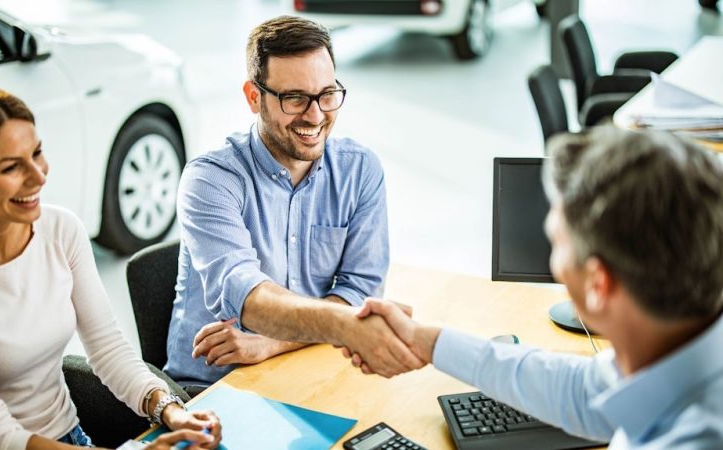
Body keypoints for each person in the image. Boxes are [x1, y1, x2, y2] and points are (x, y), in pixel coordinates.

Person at [346, 127, 723, 449]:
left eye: (555, 243)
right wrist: (425, 341)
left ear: (599, 284)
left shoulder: (695, 437)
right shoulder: (672, 348)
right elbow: (582, 392)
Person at [0, 83, 221, 450]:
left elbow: (107, 349)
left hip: (71, 439)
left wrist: (169, 408)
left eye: (37, 153)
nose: (38, 176)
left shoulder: (60, 229)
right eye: (11, 167)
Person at [163, 15, 414, 389]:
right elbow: (252, 302)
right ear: (253, 97)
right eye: (294, 98)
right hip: (210, 391)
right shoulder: (210, 180)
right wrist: (353, 325)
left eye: (327, 94)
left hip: (305, 370)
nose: (315, 115)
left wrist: (272, 343)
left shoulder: (359, 170)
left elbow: (359, 290)